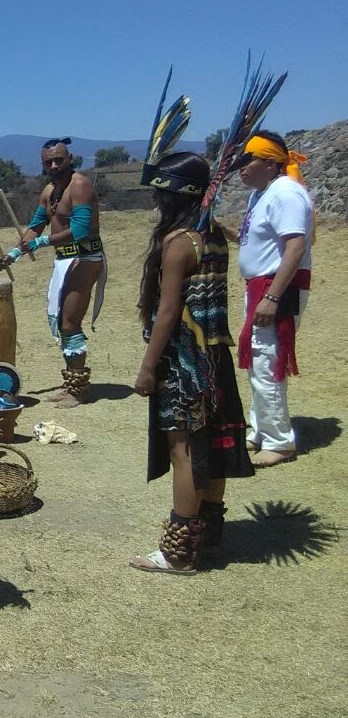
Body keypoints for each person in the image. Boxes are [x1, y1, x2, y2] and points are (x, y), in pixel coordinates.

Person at [131, 152, 254, 573]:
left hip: (184, 361)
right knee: (212, 447)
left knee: (183, 451)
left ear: (173, 195)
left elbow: (167, 313)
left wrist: (148, 367)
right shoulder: (214, 235)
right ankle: (210, 538)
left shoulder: (179, 242)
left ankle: (179, 551)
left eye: (160, 193)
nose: (156, 202)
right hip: (215, 356)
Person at [227, 132, 314, 468]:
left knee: (267, 360)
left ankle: (279, 441)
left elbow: (295, 248)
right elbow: (259, 243)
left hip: (276, 288)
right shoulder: (260, 195)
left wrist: (273, 296)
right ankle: (261, 430)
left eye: (247, 162)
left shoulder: (286, 193)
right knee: (258, 361)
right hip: (260, 287)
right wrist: (225, 232)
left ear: (270, 162)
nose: (241, 170)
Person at [0, 137, 106, 406]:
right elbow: (36, 225)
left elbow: (81, 230)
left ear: (70, 158)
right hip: (64, 260)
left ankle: (77, 389)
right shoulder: (49, 191)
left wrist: (41, 242)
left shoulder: (79, 185)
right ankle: (72, 382)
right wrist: (14, 254)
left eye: (60, 159)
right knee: (61, 322)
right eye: (49, 162)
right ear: (43, 165)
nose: (55, 165)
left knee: (70, 322)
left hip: (84, 258)